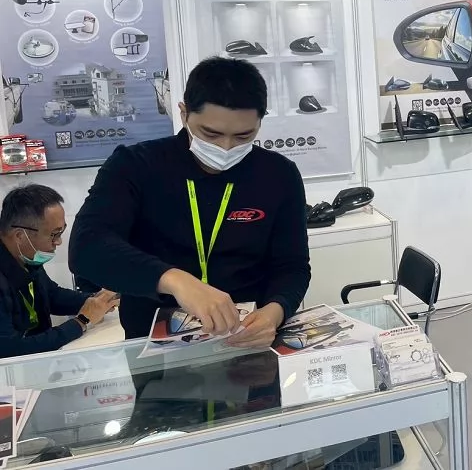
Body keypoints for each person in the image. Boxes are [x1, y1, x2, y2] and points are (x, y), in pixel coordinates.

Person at [69, 57, 310, 347]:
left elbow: (292, 266)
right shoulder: (135, 165)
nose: (226, 147)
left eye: (243, 135)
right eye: (211, 134)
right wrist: (175, 280)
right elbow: (87, 247)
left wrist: (275, 312)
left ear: (260, 121)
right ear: (184, 113)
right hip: (155, 348)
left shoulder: (278, 175)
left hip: (248, 340)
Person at [0, 185, 119, 358]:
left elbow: (51, 295)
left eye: (61, 232)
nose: (59, 242)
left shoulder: (25, 255)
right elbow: (9, 350)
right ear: (20, 236)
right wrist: (81, 322)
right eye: (54, 234)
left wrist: (97, 300)